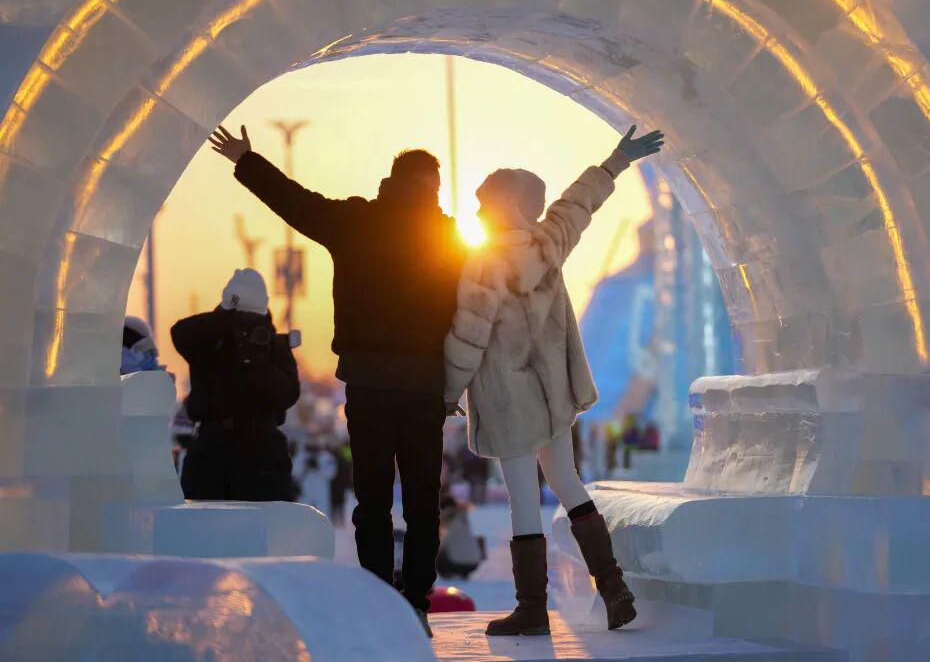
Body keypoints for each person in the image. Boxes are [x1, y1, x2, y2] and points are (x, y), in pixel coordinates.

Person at [210, 125, 465, 635]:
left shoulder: (357, 221)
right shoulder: (447, 237)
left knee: (372, 501)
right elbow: (471, 313)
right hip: (422, 387)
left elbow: (296, 203)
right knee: (422, 502)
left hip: (369, 385)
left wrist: (247, 160)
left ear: (392, 179)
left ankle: (380, 600)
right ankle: (415, 602)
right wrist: (458, 379)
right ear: (432, 185)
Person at [443, 126, 664, 636]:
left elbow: (469, 336)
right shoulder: (548, 243)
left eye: (483, 204)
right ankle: (614, 588)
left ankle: (531, 608)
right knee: (567, 482)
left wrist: (448, 392)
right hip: (553, 397)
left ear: (499, 207)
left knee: (524, 500)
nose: (477, 212)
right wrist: (616, 160)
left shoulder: (483, 266)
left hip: (508, 402)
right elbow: (578, 204)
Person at [171, 268, 300, 502]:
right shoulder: (212, 340)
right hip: (212, 450)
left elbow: (288, 393)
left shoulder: (271, 346)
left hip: (261, 452)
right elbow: (180, 333)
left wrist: (259, 362)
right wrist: (223, 316)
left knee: (265, 523)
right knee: (204, 521)